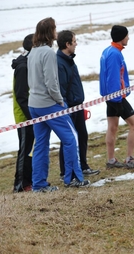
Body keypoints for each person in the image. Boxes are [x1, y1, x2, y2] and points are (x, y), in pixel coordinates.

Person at [28, 17, 89, 192]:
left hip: (35, 105)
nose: (56, 31)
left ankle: (39, 184)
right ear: (50, 31)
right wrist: (59, 100)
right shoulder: (47, 52)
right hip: (49, 104)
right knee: (71, 138)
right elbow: (51, 82)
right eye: (54, 28)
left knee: (40, 144)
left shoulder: (33, 51)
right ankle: (73, 178)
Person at [56, 30, 100, 180]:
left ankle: (83, 165)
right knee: (68, 139)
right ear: (67, 44)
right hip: (69, 107)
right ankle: (65, 172)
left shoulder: (69, 59)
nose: (76, 44)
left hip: (78, 105)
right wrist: (66, 108)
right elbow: (61, 88)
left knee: (82, 135)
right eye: (74, 41)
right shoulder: (59, 62)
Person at [99, 25, 134, 169]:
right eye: (127, 35)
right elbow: (112, 77)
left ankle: (111, 160)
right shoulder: (115, 54)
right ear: (121, 37)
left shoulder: (109, 51)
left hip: (111, 97)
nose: (128, 38)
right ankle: (129, 159)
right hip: (116, 97)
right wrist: (117, 99)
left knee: (112, 127)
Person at [11, 33, 34, 192]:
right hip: (25, 117)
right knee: (25, 150)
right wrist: (31, 116)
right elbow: (21, 95)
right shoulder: (23, 67)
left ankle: (29, 181)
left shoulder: (29, 63)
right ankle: (20, 184)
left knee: (31, 150)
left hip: (32, 115)